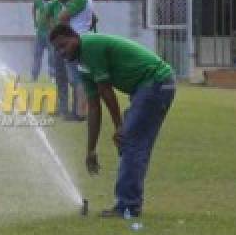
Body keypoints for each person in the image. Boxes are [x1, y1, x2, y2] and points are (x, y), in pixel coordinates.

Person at [48, 23, 175, 220]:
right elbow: (94, 108)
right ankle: (129, 204)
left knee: (131, 141)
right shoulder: (82, 64)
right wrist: (91, 149)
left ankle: (128, 206)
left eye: (64, 45)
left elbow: (107, 92)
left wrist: (119, 127)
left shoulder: (89, 46)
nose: (62, 52)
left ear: (74, 37)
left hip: (156, 82)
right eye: (57, 49)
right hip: (146, 87)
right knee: (131, 142)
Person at [57, 0, 95, 122]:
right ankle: (79, 112)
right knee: (79, 78)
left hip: (75, 42)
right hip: (82, 39)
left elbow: (62, 17)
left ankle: (79, 113)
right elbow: (94, 18)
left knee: (77, 79)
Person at [47, 0, 71, 117]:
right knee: (60, 76)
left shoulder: (75, 4)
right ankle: (62, 108)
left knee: (74, 79)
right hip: (58, 46)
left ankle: (76, 110)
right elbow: (48, 16)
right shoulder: (55, 3)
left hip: (71, 46)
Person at [30, 0, 53, 82]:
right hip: (40, 33)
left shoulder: (54, 2)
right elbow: (34, 8)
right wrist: (35, 20)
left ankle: (52, 76)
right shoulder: (38, 1)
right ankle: (34, 76)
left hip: (50, 33)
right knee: (37, 55)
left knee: (52, 56)